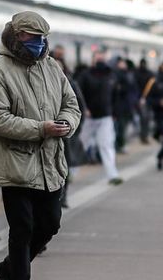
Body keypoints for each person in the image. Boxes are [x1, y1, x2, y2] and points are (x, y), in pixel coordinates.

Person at [0, 11, 81, 280]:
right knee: (22, 228)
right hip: (15, 164)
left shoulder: (51, 67)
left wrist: (66, 123)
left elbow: (71, 103)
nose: (38, 43)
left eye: (42, 38)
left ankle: (7, 270)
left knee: (50, 223)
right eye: (31, 37)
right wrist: (40, 129)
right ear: (15, 36)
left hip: (49, 162)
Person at [78, 50, 123, 185]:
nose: (100, 61)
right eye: (98, 59)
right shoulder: (85, 75)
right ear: (92, 60)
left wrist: (115, 112)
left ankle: (112, 175)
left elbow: (116, 96)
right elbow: (78, 94)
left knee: (107, 145)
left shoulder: (111, 76)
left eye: (102, 59)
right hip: (89, 118)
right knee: (81, 145)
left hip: (106, 117)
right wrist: (84, 109)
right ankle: (69, 173)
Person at [50, 45, 87, 210]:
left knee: (63, 164)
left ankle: (62, 196)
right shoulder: (39, 85)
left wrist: (74, 128)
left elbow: (79, 107)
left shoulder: (70, 83)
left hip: (65, 132)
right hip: (46, 132)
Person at [134, 58, 155, 144]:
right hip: (145, 99)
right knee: (145, 118)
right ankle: (144, 135)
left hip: (141, 98)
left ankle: (143, 135)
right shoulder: (149, 74)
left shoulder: (136, 73)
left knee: (144, 118)